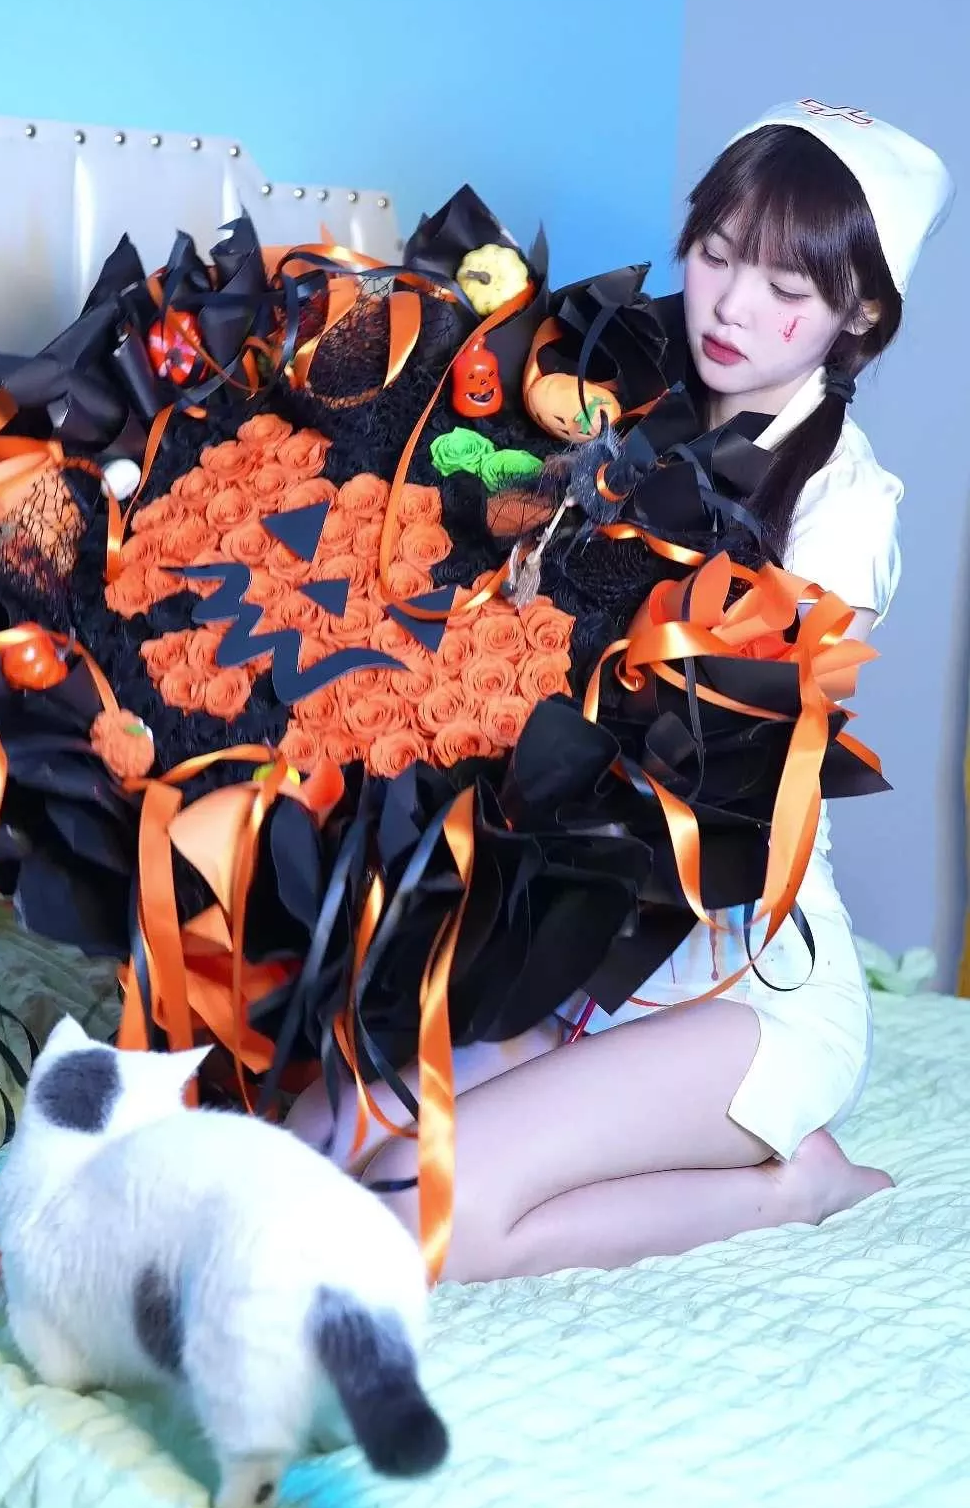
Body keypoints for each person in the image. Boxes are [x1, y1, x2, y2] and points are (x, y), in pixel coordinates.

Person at [286, 100, 954, 1283]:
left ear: (860, 315)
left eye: (786, 288)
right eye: (718, 256)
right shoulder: (620, 414)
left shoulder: (845, 516)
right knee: (310, 1146)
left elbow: (715, 763)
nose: (732, 307)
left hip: (749, 988)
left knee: (413, 1211)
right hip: (576, 954)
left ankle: (796, 1189)